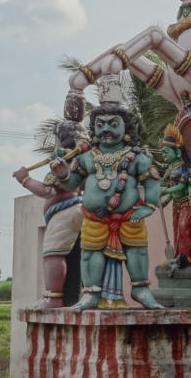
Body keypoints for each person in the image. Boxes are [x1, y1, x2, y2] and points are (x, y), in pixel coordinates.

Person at [49, 103, 163, 310]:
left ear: (126, 128)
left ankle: (140, 289)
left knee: (137, 251)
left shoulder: (135, 157)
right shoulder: (86, 158)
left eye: (113, 124)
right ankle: (91, 293)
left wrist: (149, 206)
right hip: (95, 218)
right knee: (89, 254)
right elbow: (72, 184)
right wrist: (62, 173)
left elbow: (152, 181)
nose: (106, 129)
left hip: (129, 216)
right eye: (100, 125)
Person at [12, 121, 88, 308]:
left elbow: (48, 191)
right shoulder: (82, 162)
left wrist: (25, 179)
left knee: (53, 254)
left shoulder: (63, 161)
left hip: (64, 213)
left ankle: (53, 297)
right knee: (78, 254)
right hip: (79, 209)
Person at [160, 124, 191, 265]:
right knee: (177, 231)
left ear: (177, 152)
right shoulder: (169, 170)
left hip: (187, 203)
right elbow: (172, 189)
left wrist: (165, 191)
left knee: (184, 229)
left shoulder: (185, 167)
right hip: (176, 204)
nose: (164, 155)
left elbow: (181, 186)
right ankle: (179, 256)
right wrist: (166, 201)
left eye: (166, 152)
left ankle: (186, 257)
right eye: (163, 152)